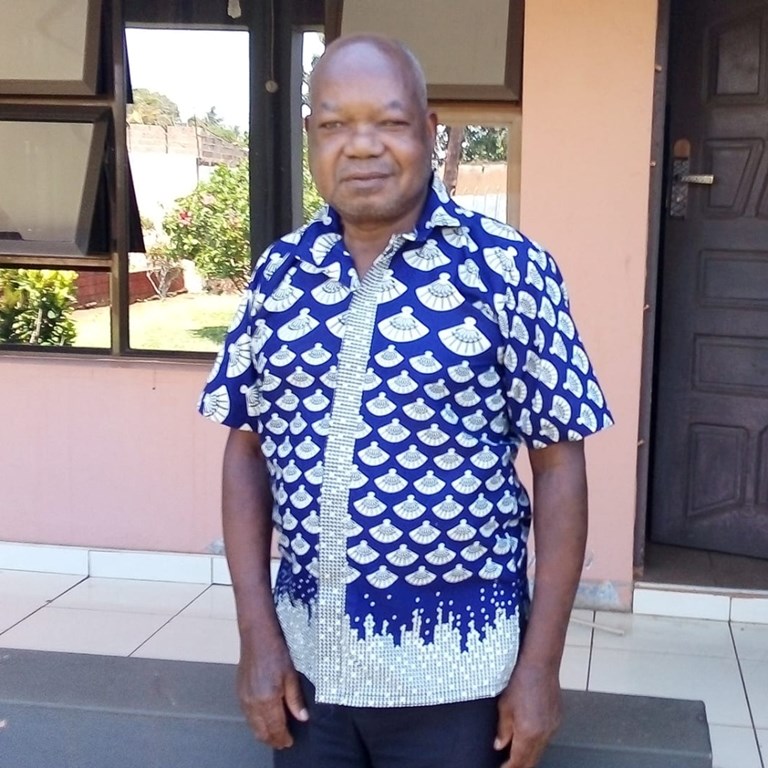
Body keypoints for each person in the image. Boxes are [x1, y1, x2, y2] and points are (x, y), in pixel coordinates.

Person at [199, 34, 613, 768]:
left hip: (460, 677)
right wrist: (256, 636)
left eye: (389, 122)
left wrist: (541, 668)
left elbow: (559, 468)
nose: (361, 146)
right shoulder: (280, 273)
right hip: (308, 674)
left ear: (429, 129)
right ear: (310, 137)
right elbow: (246, 453)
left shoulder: (510, 270)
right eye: (335, 124)